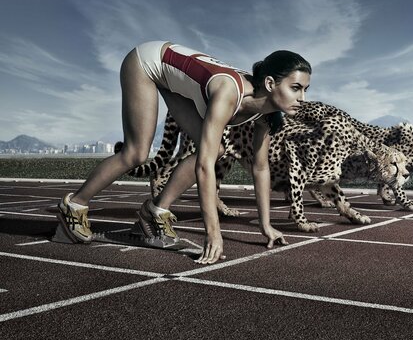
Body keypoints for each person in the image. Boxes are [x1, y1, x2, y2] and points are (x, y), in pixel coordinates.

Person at [56, 41, 312, 264]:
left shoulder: (266, 114)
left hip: (172, 76)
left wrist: (266, 226)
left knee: (217, 148)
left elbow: (260, 167)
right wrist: (213, 233)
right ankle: (74, 206)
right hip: (147, 62)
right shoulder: (229, 93)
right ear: (269, 83)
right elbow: (204, 167)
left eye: (305, 90)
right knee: (136, 153)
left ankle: (154, 213)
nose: (302, 98)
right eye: (296, 88)